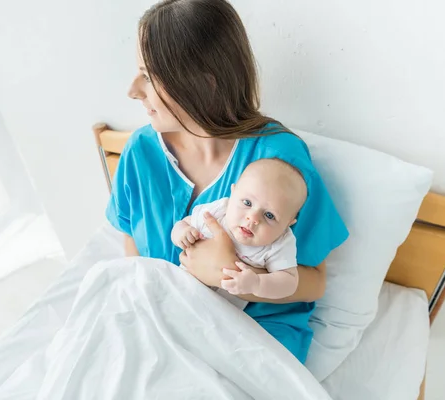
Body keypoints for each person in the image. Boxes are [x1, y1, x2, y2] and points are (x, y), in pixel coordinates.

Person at [105, 0, 348, 364]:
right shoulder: (140, 150)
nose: (133, 90)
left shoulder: (278, 159)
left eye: (150, 76)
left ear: (203, 85)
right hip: (165, 319)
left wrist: (231, 274)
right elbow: (132, 246)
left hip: (253, 336)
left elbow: (314, 279)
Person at [171, 158, 306, 310]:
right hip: (180, 287)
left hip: (219, 312)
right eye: (247, 203)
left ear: (288, 224)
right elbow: (184, 223)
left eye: (269, 215)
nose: (253, 218)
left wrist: (257, 284)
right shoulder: (219, 210)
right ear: (233, 193)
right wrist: (182, 233)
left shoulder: (279, 243)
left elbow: (289, 283)